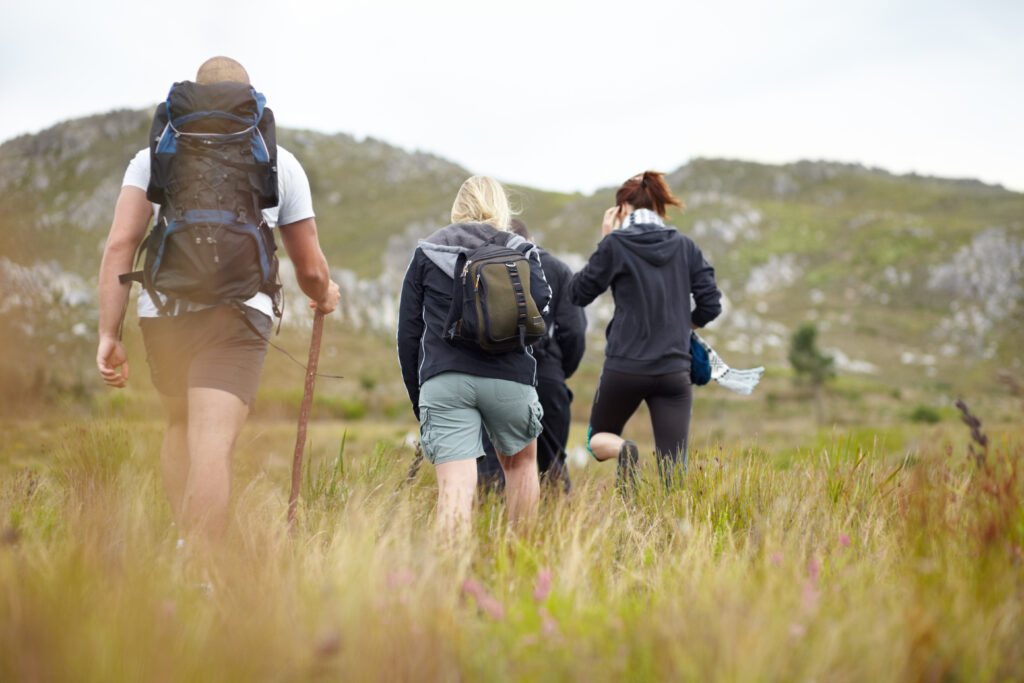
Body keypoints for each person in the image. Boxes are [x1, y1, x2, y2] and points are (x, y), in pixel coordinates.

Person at [96, 57, 340, 543]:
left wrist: (108, 333)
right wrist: (325, 295)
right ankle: (200, 567)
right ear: (248, 101)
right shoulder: (276, 159)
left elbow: (120, 246)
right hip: (239, 314)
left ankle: (182, 542)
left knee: (180, 426)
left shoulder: (154, 155)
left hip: (163, 312)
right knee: (211, 444)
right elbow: (310, 268)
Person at [397, 176, 551, 536]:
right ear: (501, 207)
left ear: (458, 207)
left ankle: (452, 577)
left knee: (456, 484)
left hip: (445, 379)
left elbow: (407, 332)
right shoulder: (523, 250)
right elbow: (542, 307)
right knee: (521, 468)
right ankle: (521, 560)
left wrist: (420, 396)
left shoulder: (427, 252)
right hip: (510, 377)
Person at [569, 171, 721, 490]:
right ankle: (667, 532)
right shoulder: (686, 247)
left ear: (622, 208)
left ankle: (624, 451)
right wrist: (683, 325)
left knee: (596, 439)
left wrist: (607, 238)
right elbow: (711, 305)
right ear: (658, 207)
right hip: (674, 371)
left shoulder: (615, 245)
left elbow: (577, 293)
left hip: (625, 367)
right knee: (673, 467)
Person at [477, 218, 586, 494]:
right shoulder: (559, 270)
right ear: (531, 241)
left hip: (495, 374)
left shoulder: (483, 265)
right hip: (547, 376)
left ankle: (491, 530)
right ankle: (562, 533)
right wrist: (559, 372)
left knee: (492, 465)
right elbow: (574, 332)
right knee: (552, 466)